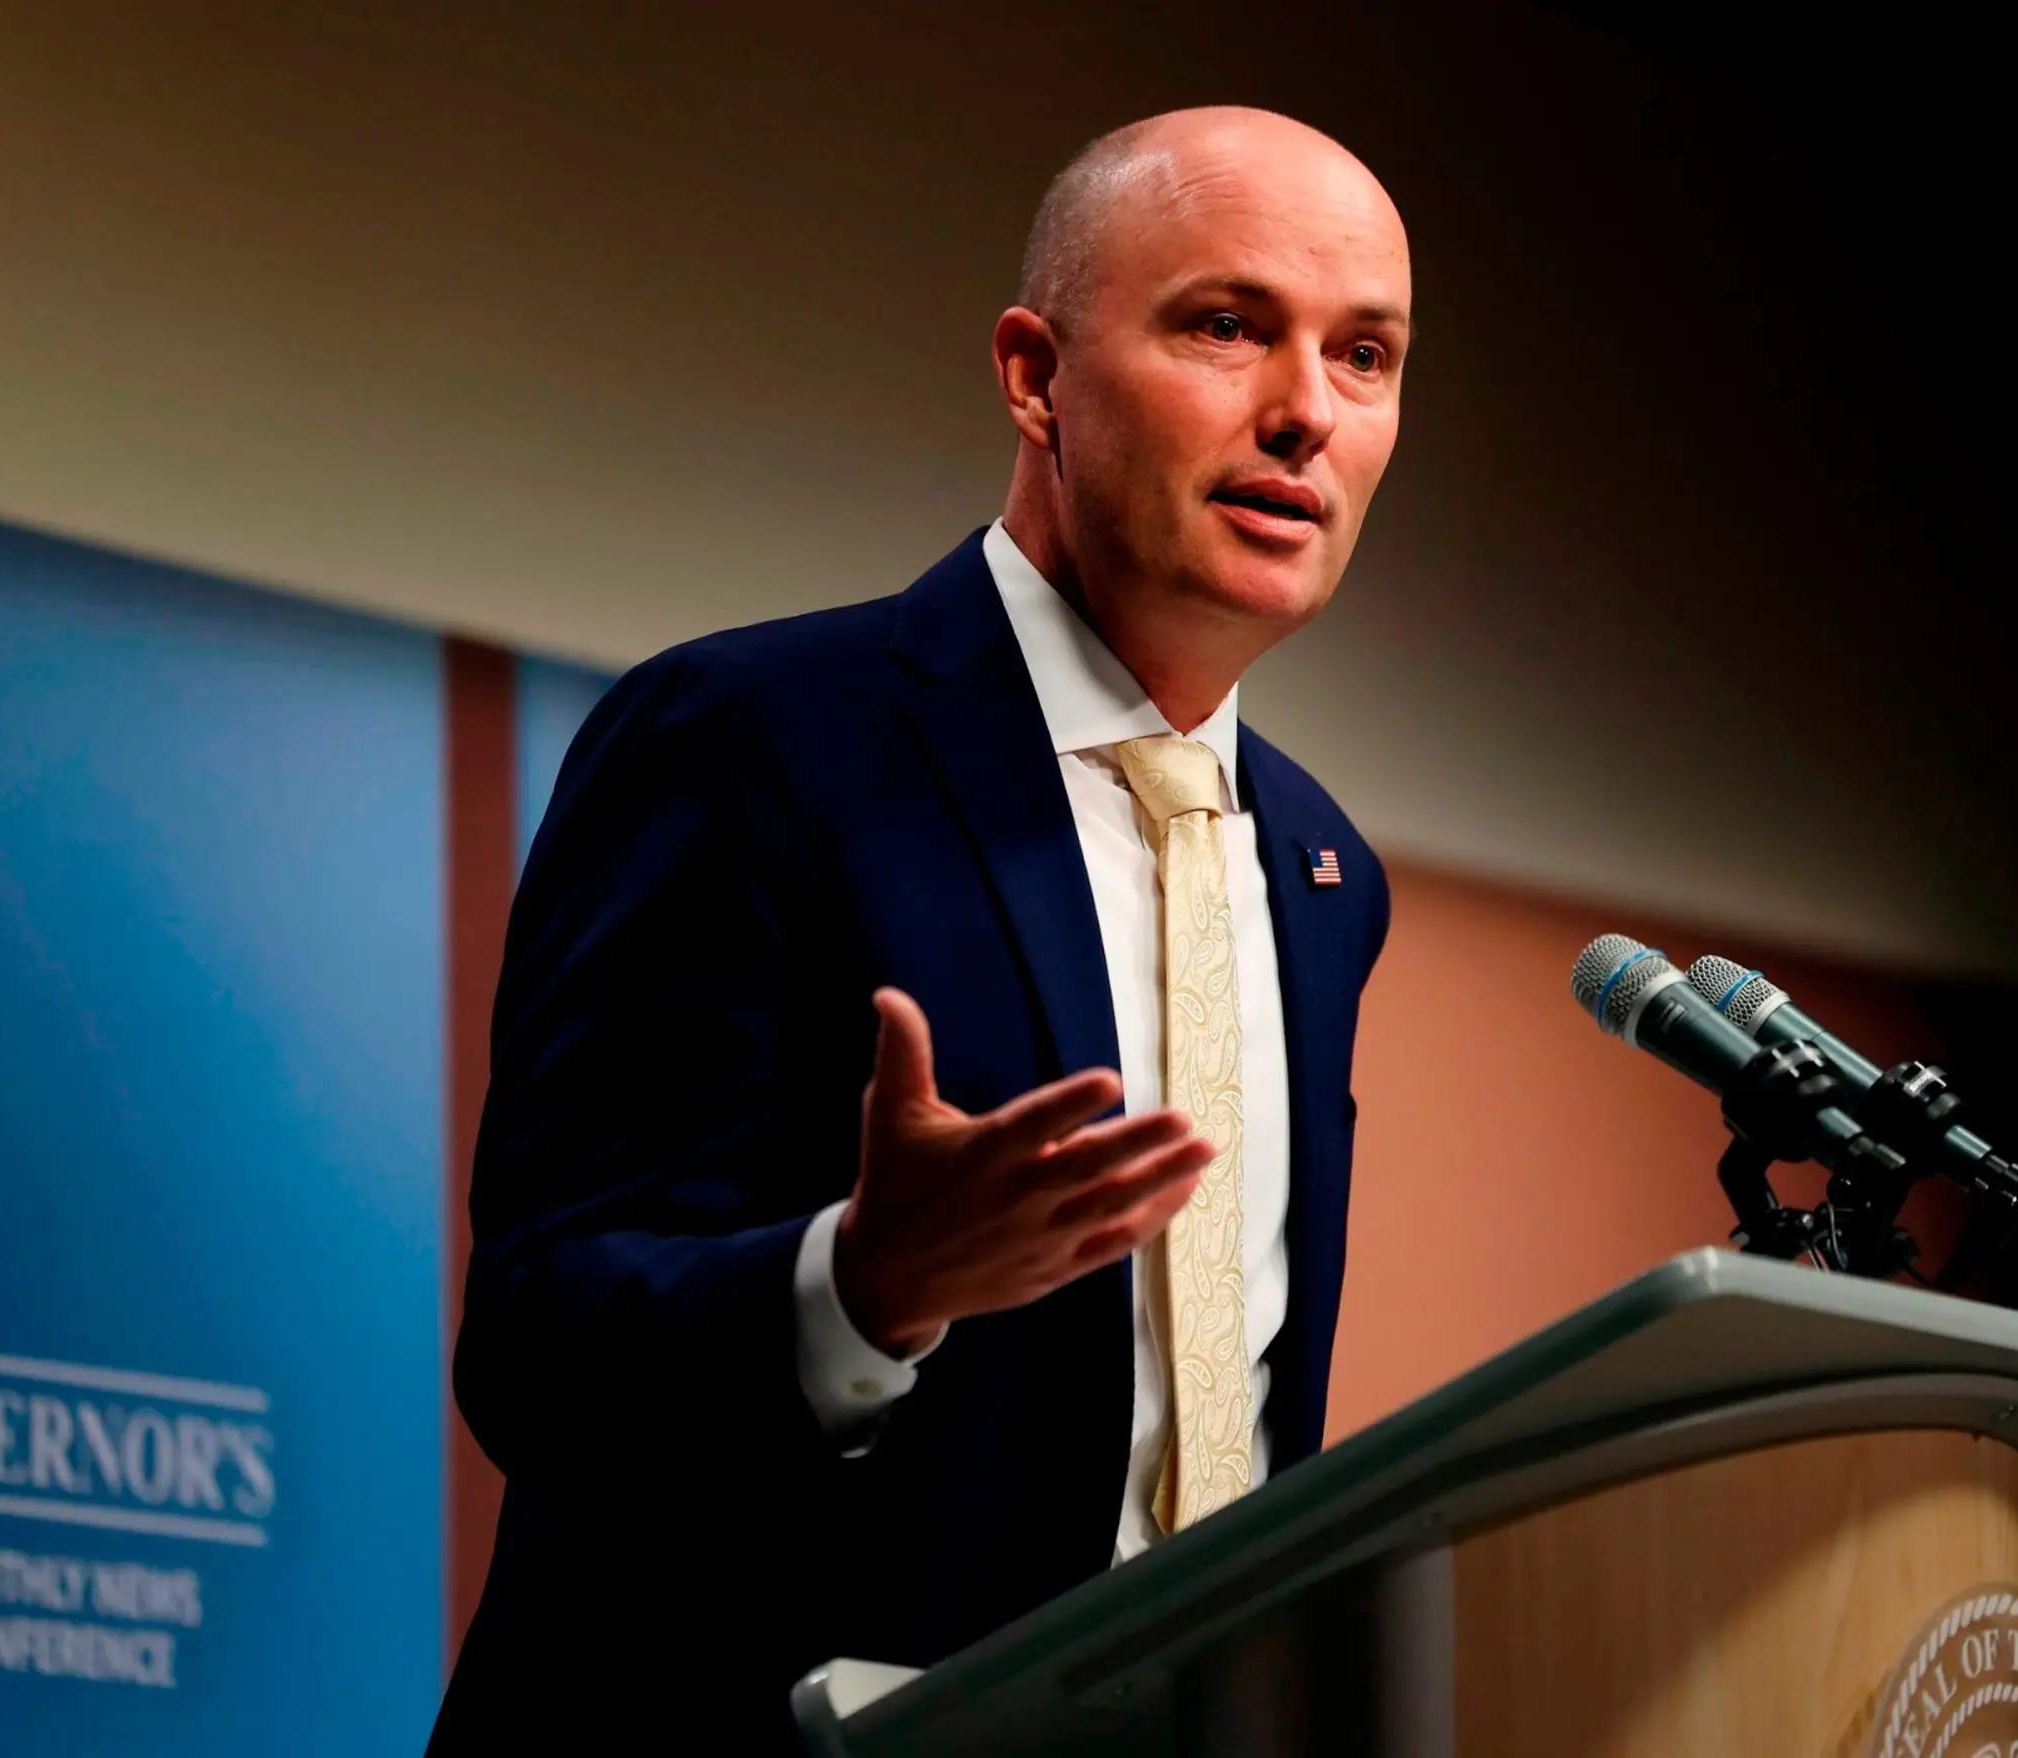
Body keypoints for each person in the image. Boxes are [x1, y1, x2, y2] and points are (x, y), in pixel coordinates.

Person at [428, 105, 1411, 1753]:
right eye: (1228, 328)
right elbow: (538, 1348)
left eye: (1365, 355)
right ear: (1036, 375)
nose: (1306, 411)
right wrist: (857, 1285)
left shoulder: (1324, 869)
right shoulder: (752, 738)